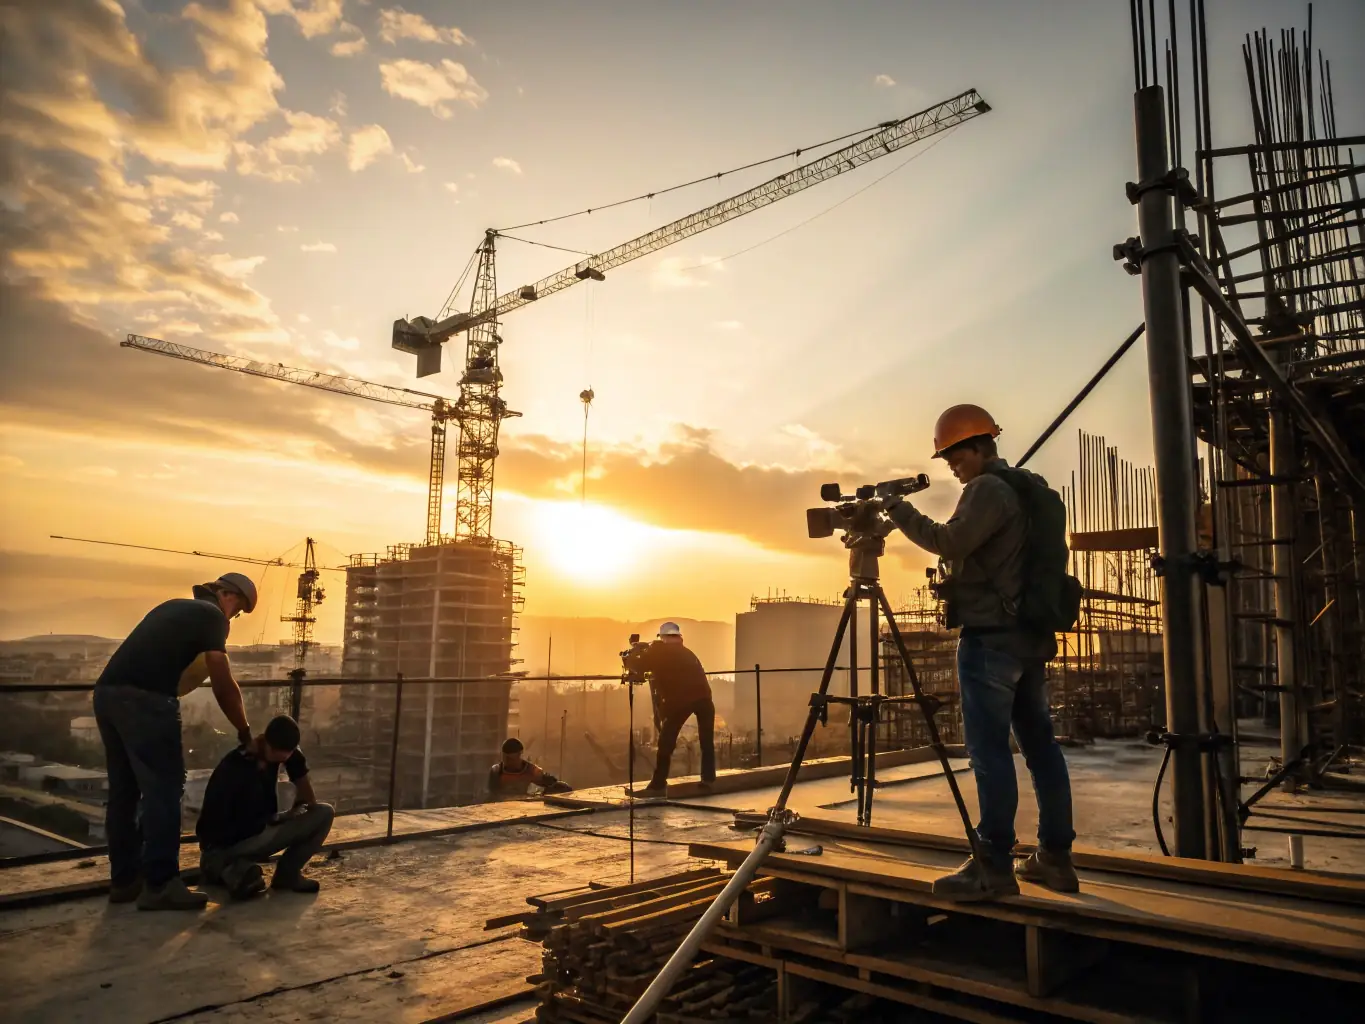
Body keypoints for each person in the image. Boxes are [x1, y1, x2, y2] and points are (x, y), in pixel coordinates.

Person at [880, 404, 1077, 901]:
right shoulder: (1027, 487)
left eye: (953, 454)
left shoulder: (987, 489)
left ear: (978, 446)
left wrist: (898, 510)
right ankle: (1055, 858)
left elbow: (949, 541)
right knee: (1040, 748)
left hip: (992, 638)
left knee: (989, 752)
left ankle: (992, 865)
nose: (949, 463)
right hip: (1030, 636)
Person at [93, 572, 258, 911]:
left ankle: (125, 881)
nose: (234, 617)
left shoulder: (173, 608)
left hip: (108, 695)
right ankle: (161, 884)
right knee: (164, 791)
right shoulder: (213, 617)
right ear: (227, 595)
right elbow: (222, 681)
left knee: (124, 792)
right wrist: (244, 729)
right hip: (147, 701)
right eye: (238, 609)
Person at [196, 715, 334, 900]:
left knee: (323, 813)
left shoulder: (278, 752)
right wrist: (281, 818)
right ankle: (227, 868)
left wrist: (299, 805)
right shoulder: (239, 767)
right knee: (245, 876)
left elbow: (310, 800)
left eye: (286, 755)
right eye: (277, 754)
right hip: (224, 845)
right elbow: (237, 824)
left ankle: (286, 874)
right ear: (267, 742)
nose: (281, 759)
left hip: (253, 834)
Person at [629, 622, 716, 797]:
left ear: (663, 637)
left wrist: (632, 657)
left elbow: (639, 668)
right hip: (705, 699)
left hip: (682, 701)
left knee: (665, 743)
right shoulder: (687, 652)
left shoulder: (660, 651)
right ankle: (708, 779)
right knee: (707, 741)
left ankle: (658, 784)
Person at [487, 738, 569, 800]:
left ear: (519, 755)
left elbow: (553, 784)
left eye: (511, 759)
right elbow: (493, 794)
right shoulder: (496, 770)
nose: (507, 762)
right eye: (505, 758)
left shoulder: (531, 770)